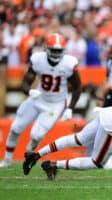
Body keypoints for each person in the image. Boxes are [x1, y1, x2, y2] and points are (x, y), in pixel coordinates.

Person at [0, 33, 82, 168]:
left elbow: (78, 87)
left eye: (58, 51)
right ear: (46, 49)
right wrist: (29, 91)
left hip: (55, 104)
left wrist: (70, 108)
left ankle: (28, 155)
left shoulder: (69, 63)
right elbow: (25, 82)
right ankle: (7, 160)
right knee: (15, 128)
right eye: (53, 50)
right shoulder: (38, 60)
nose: (56, 54)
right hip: (38, 99)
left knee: (36, 135)